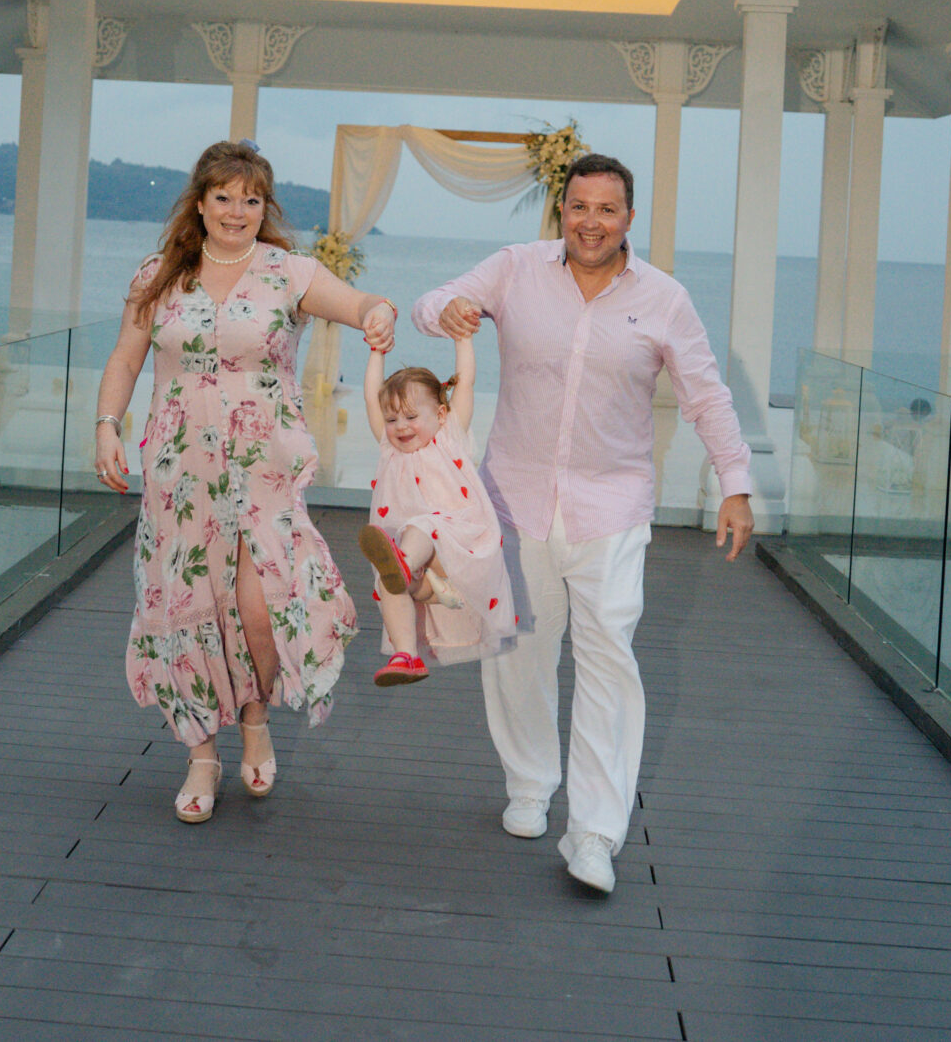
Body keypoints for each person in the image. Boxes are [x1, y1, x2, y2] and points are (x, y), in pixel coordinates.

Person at [413, 153, 754, 894]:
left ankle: (595, 832)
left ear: (628, 217)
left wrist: (735, 483)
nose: (590, 222)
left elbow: (706, 395)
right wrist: (449, 310)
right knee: (519, 654)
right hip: (516, 500)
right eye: (578, 207)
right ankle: (530, 784)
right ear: (560, 211)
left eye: (606, 209)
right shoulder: (516, 268)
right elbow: (430, 302)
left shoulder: (664, 299)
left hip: (612, 510)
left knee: (608, 662)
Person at [93, 140, 398, 823]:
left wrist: (379, 312)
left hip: (264, 470)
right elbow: (126, 357)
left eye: (251, 199)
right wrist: (107, 424)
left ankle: (255, 716)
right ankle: (201, 755)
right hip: (181, 474)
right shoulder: (158, 276)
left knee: (257, 609)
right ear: (200, 203)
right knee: (189, 604)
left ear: (266, 207)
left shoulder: (289, 272)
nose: (237, 211)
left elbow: (360, 304)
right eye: (224, 197)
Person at [355, 332, 517, 685]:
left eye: (411, 416)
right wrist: (376, 351)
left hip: (458, 547)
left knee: (420, 528)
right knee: (390, 582)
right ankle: (406, 655)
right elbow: (370, 396)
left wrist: (463, 338)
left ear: (441, 415)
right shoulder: (389, 450)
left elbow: (466, 381)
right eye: (392, 420)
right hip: (425, 572)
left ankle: (401, 564)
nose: (400, 427)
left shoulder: (450, 438)